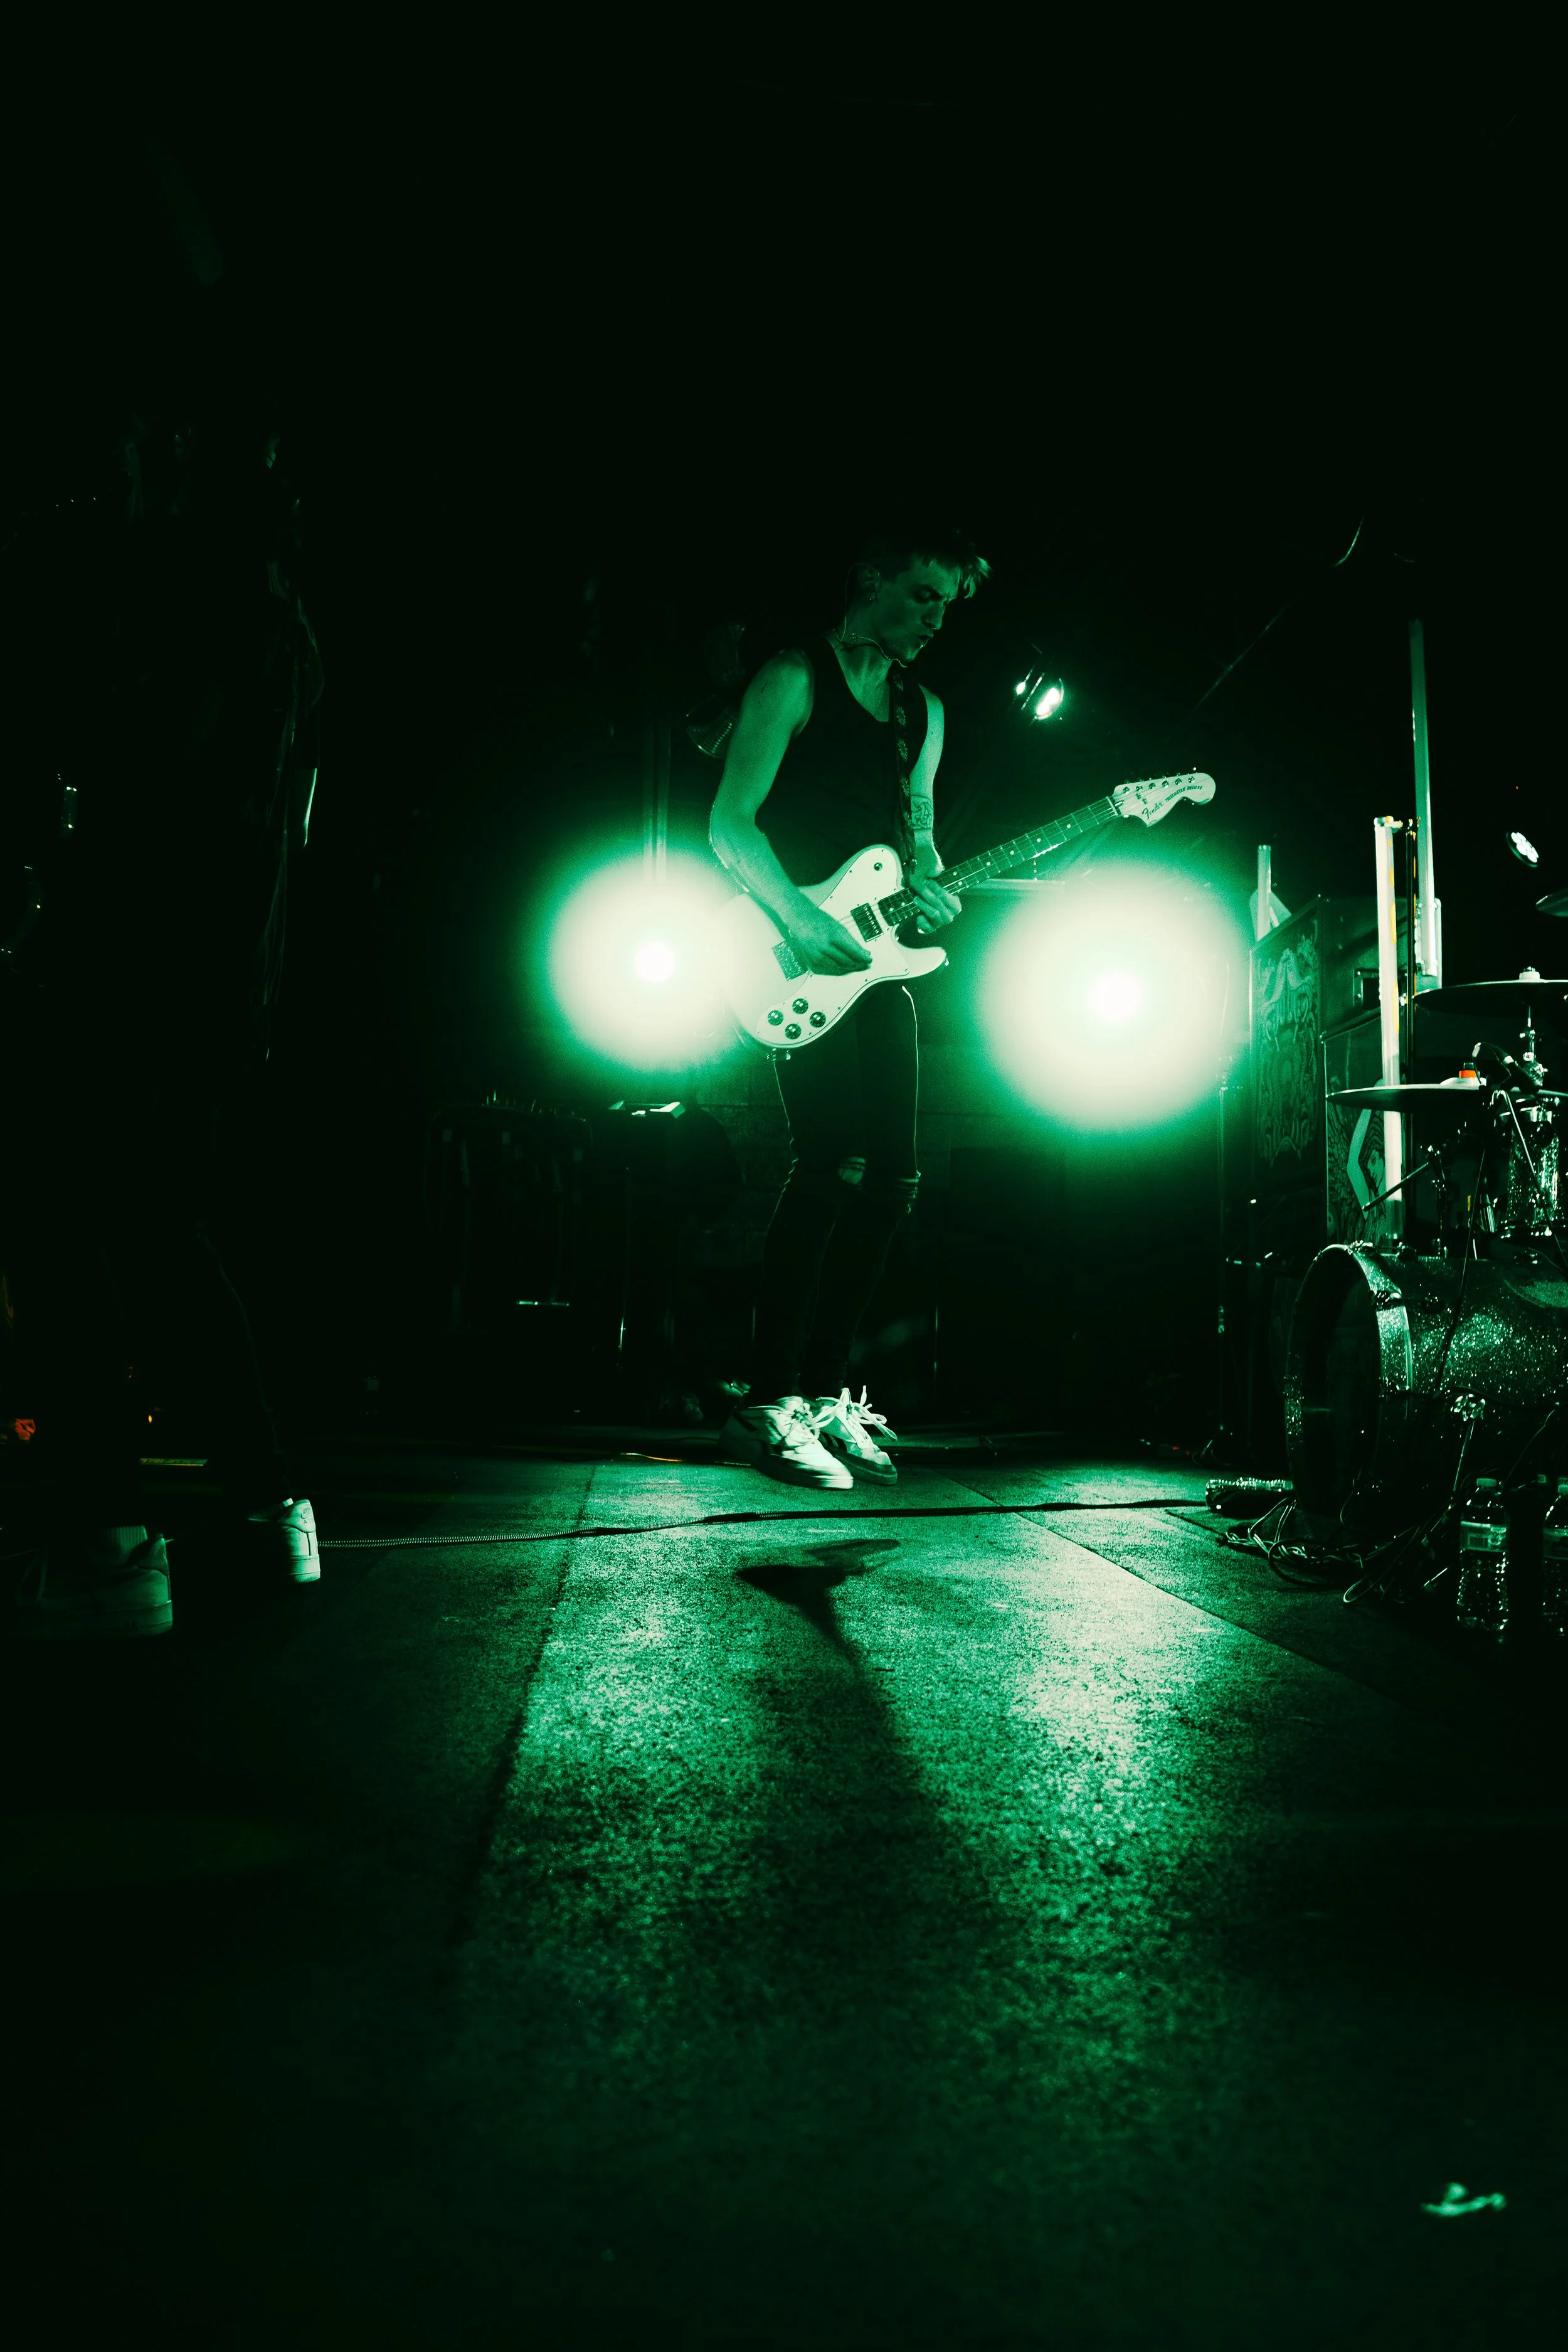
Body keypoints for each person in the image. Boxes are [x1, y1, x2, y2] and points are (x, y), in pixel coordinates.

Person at [1, 253, 322, 1637]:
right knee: (138, 1230)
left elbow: (147, 798)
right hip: (189, 974)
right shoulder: (250, 608)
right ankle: (245, 1517)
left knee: (85, 1230)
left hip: (144, 970)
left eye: (138, 447)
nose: (118, 468)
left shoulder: (208, 609)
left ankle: (114, 1534)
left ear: (184, 454)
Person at [708, 526, 985, 1487]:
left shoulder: (924, 712)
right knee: (833, 1158)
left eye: (946, 607)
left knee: (896, 1174)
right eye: (921, 596)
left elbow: (921, 842)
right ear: (870, 577)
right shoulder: (794, 677)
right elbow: (728, 824)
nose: (933, 620)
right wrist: (794, 915)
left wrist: (935, 885)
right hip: (790, 949)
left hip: (875, 960)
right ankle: (766, 1399)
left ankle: (823, 1395)